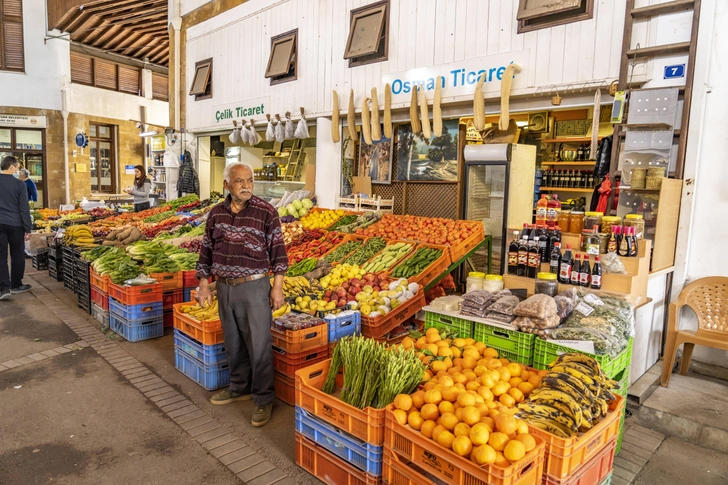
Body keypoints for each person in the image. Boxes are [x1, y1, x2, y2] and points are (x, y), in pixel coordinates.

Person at [195, 162, 287, 427]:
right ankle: (239, 388)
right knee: (233, 343)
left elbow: (279, 254)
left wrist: (277, 288)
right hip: (224, 287)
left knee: (259, 345)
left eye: (249, 180)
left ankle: (263, 399)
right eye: (240, 181)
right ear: (227, 185)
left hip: (254, 287)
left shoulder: (266, 212)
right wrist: (204, 284)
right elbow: (206, 252)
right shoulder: (215, 215)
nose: (246, 185)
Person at [0, 156, 32, 300]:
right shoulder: (19, 185)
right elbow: (24, 208)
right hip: (16, 224)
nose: (18, 169)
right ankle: (16, 284)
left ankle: (4, 288)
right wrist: (28, 228)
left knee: (1, 256)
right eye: (17, 167)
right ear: (11, 167)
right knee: (17, 254)